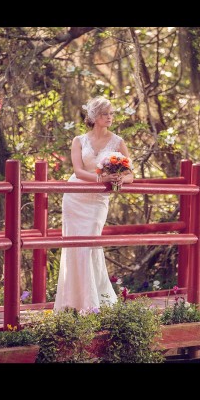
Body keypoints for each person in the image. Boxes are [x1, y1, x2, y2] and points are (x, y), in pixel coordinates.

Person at [53, 97, 134, 312]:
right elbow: (78, 171)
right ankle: (72, 303)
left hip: (97, 201)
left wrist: (118, 179)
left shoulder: (118, 141)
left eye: (111, 114)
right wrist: (101, 179)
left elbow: (130, 175)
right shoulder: (79, 140)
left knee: (90, 245)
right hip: (75, 196)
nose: (110, 117)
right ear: (94, 117)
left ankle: (95, 303)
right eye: (105, 114)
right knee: (74, 247)